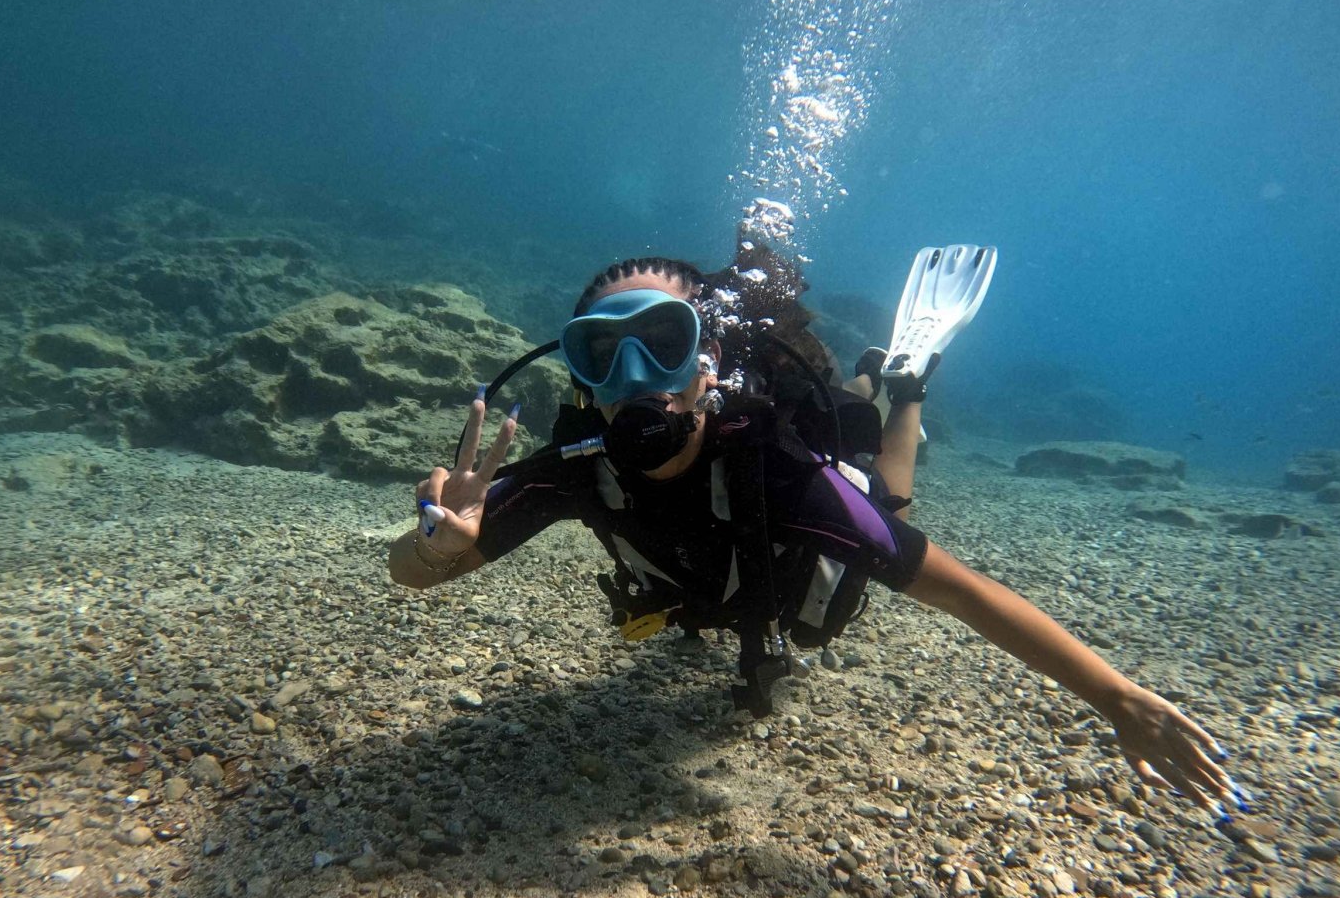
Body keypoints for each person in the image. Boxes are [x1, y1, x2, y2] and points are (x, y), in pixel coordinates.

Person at [388, 252, 1238, 811]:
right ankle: (880, 386)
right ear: (577, 372)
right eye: (600, 352)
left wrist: (1117, 696)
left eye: (662, 343)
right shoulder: (578, 464)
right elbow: (411, 574)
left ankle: (901, 382)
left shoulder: (777, 466)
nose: (634, 376)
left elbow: (966, 593)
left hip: (799, 540)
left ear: (708, 361)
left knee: (881, 491)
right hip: (700, 589)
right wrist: (438, 546)